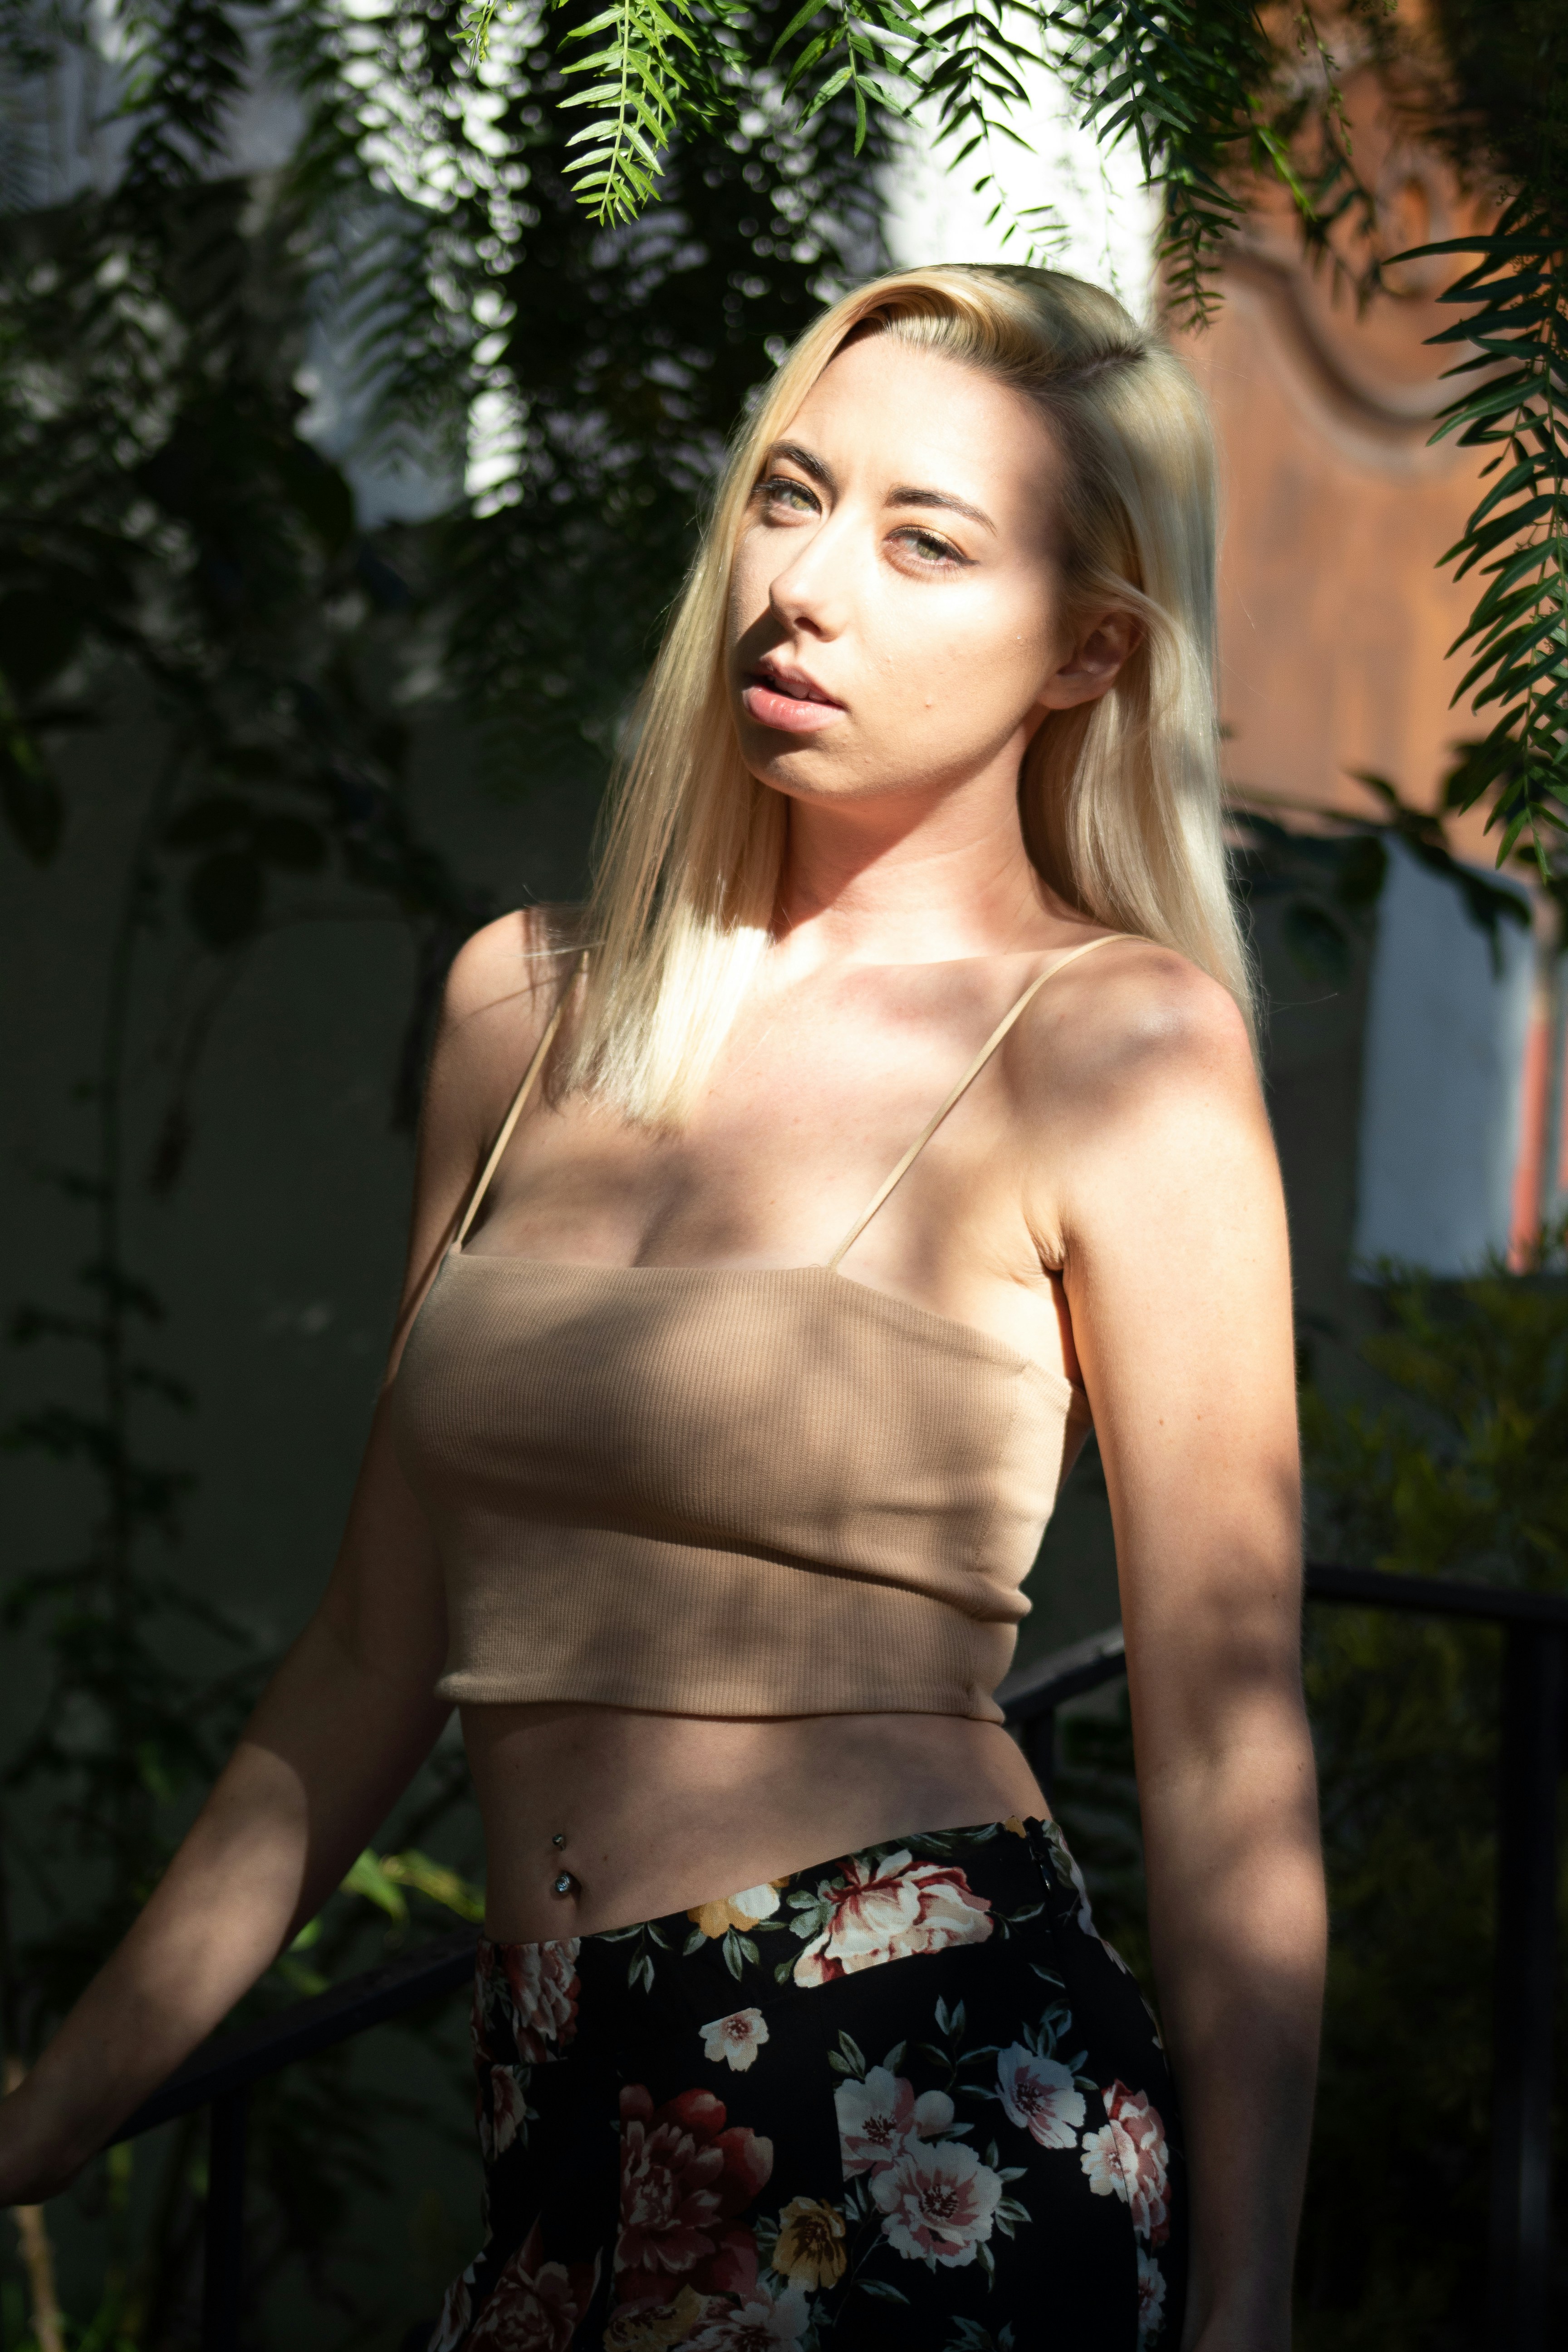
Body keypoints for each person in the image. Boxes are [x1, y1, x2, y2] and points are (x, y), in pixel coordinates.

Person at [0, 265, 1325, 2348]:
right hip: (556, 2102)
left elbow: (1229, 1731)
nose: (803, 587)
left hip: (919, 2092)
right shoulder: (524, 1007)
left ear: (1089, 650)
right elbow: (370, 1653)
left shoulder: (1118, 1045)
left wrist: (1243, 2314)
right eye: (790, 496)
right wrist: (52, 2114)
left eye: (925, 542)